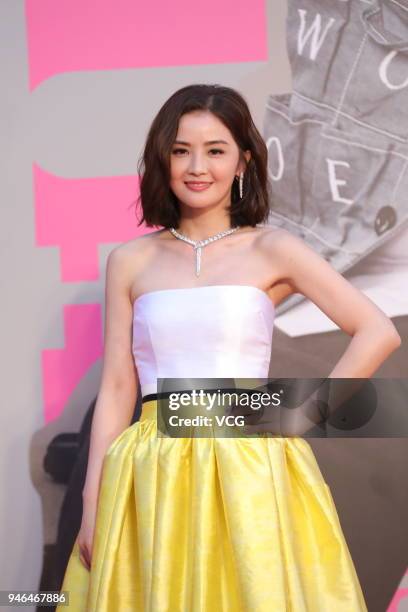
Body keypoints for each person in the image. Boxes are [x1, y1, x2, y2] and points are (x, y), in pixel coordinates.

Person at [57, 84, 401, 611]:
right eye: (181, 150)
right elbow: (118, 386)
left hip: (250, 467)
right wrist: (91, 501)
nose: (198, 166)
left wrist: (301, 416)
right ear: (162, 160)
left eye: (215, 150)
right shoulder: (130, 260)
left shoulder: (273, 247)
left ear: (242, 161)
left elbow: (378, 330)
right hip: (151, 467)